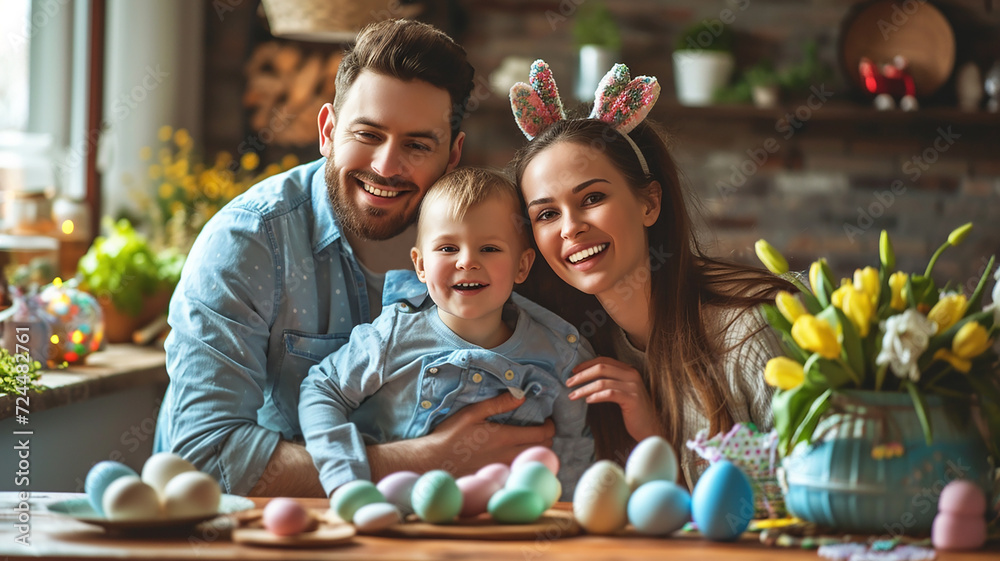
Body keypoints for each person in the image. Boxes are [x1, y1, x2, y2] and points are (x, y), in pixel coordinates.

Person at [153, 21, 556, 498]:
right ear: (328, 130)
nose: (386, 167)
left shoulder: (495, 239)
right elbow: (203, 457)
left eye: (417, 145)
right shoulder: (248, 242)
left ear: (452, 156)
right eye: (368, 134)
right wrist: (427, 462)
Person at [509, 61, 794, 488]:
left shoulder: (750, 332)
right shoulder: (569, 349)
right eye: (547, 213)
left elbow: (815, 499)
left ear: (649, 203)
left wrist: (657, 440)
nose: (570, 228)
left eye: (592, 197)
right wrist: (653, 436)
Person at [299, 168, 594, 497]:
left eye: (490, 249)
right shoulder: (390, 338)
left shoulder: (560, 353)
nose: (467, 261)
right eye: (448, 248)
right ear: (421, 265)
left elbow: (573, 449)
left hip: (507, 530)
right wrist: (345, 481)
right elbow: (321, 391)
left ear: (522, 266)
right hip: (397, 516)